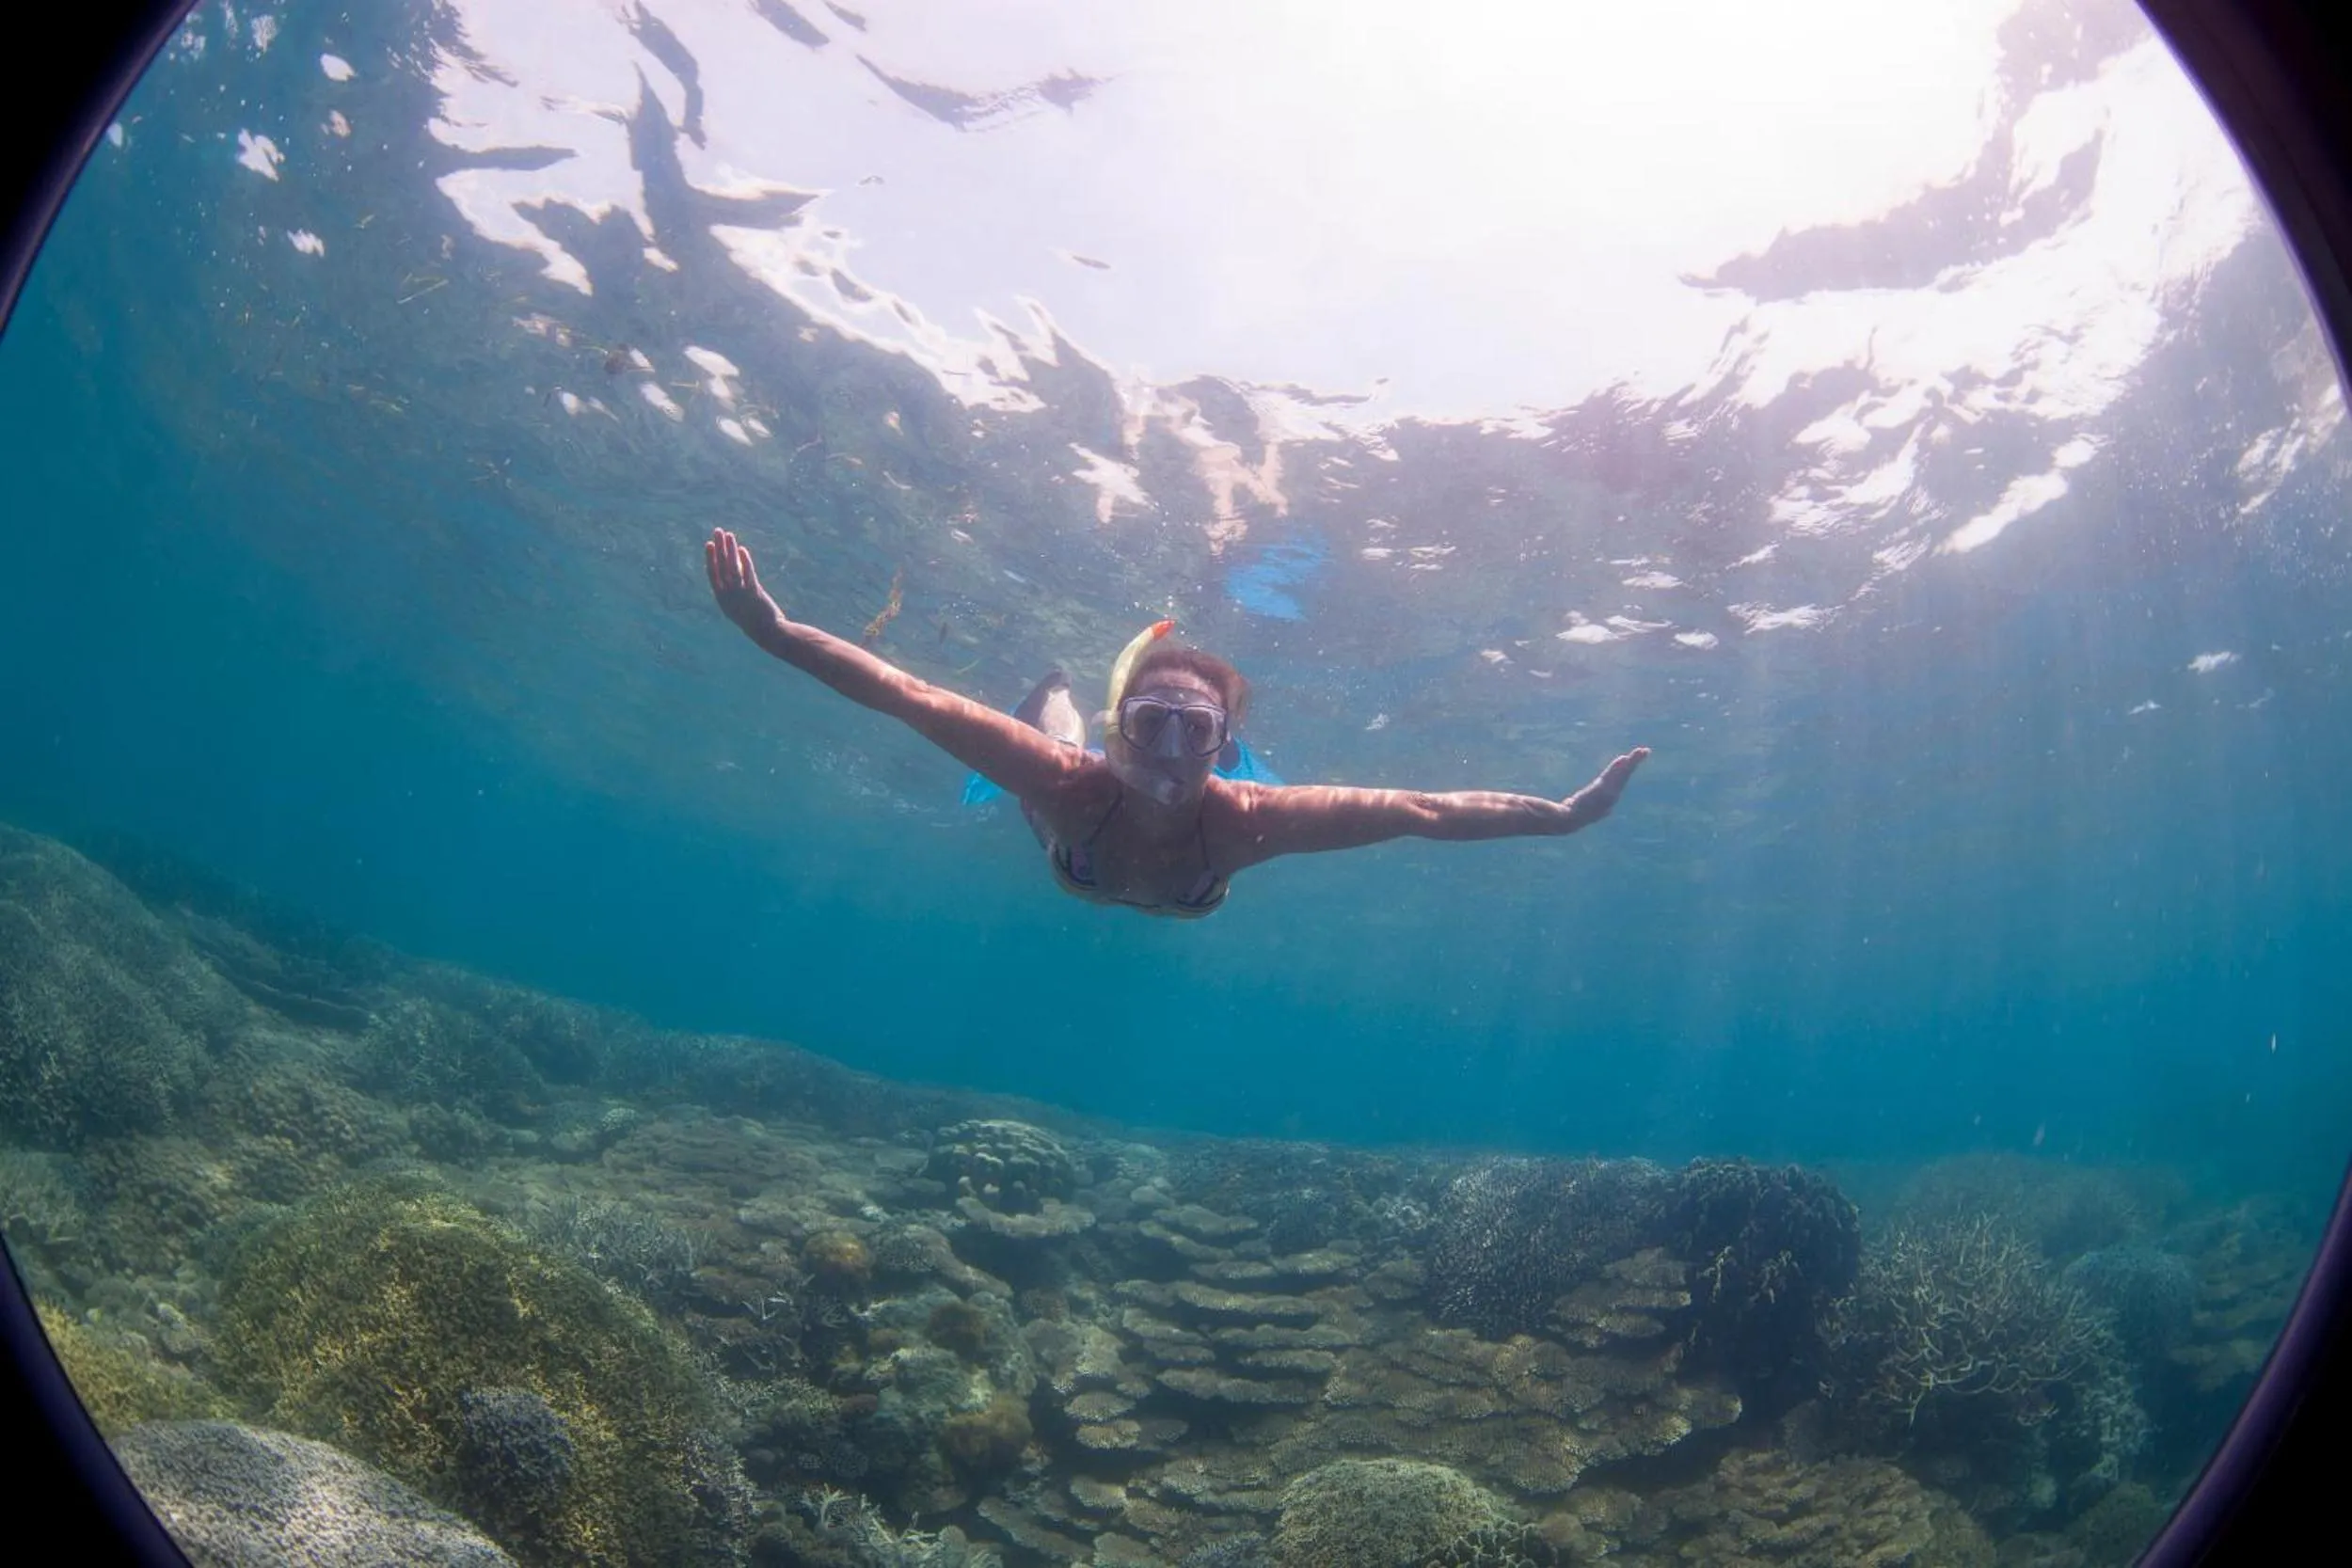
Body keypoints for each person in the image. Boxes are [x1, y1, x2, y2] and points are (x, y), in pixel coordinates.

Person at [706, 527, 1648, 918]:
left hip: (1164, 843)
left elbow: (1423, 810)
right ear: (1122, 729)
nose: (1169, 749)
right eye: (1151, 722)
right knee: (1046, 741)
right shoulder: (1069, 780)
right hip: (1068, 812)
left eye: (1196, 732)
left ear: (1223, 748)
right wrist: (772, 630)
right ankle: (1065, 693)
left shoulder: (1250, 817)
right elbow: (904, 692)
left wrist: (1563, 814)